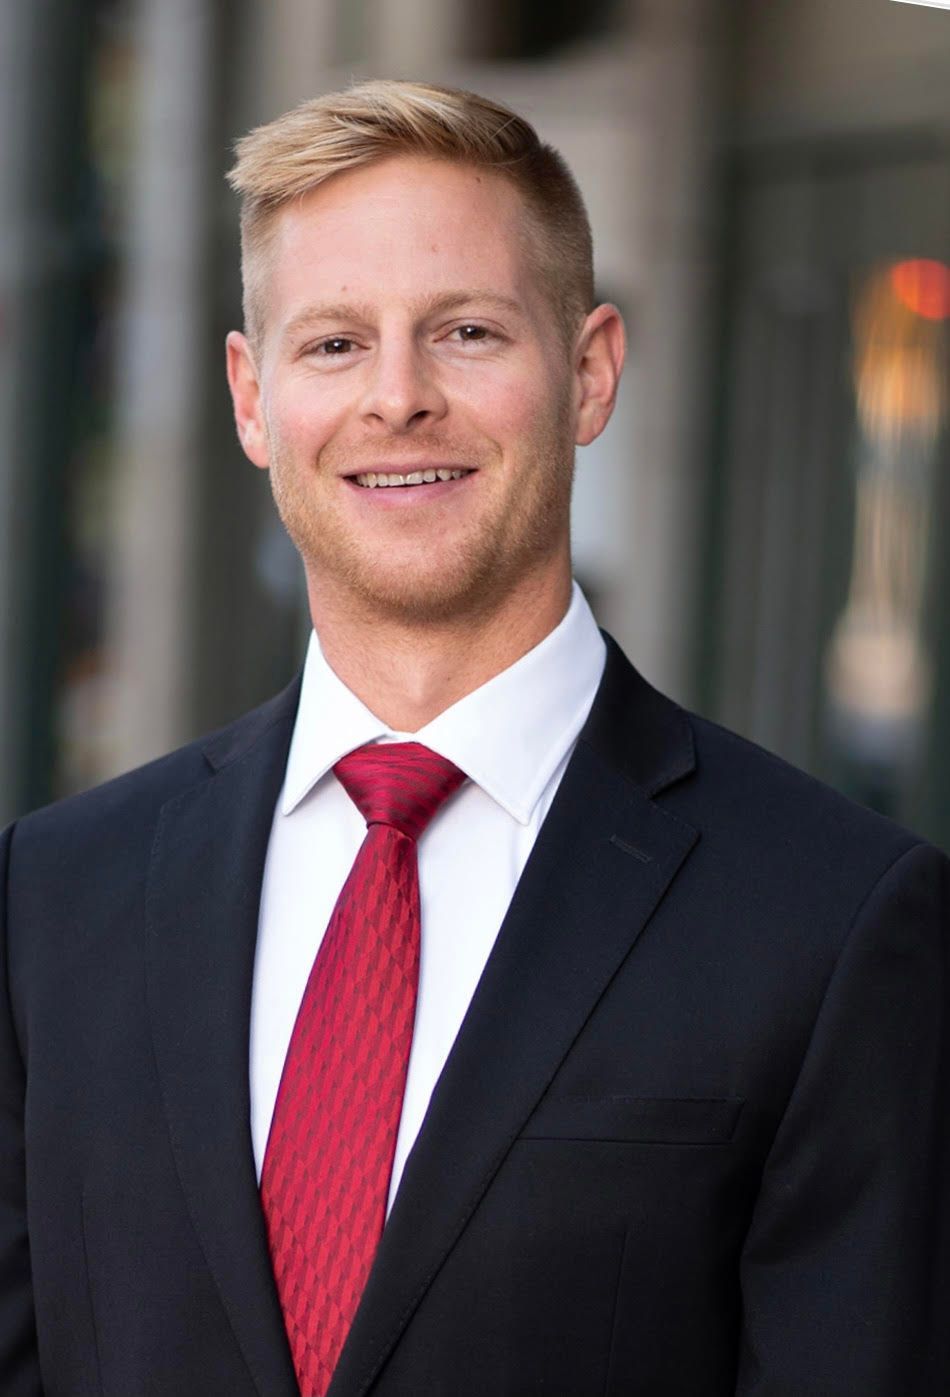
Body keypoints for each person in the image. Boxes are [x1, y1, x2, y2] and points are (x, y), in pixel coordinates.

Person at [0, 79, 947, 1397]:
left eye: (465, 332)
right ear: (251, 396)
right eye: (333, 343)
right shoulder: (51, 897)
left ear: (590, 371)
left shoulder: (832, 921)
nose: (398, 397)